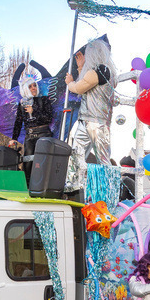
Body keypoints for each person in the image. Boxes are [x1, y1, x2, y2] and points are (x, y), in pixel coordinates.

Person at [63, 37, 116, 192]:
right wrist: (81, 68)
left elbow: (79, 88)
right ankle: (102, 192)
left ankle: (75, 188)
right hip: (98, 121)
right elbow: (86, 85)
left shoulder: (99, 71)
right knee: (98, 158)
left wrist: (69, 82)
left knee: (79, 156)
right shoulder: (108, 72)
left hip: (91, 121)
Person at [11, 68, 55, 178]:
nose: (33, 88)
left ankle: (41, 187)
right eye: (30, 86)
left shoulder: (44, 100)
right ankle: (27, 187)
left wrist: (34, 111)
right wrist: (14, 138)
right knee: (28, 164)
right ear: (25, 89)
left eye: (34, 85)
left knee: (42, 163)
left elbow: (48, 118)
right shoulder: (22, 103)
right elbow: (18, 121)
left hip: (43, 135)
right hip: (29, 137)